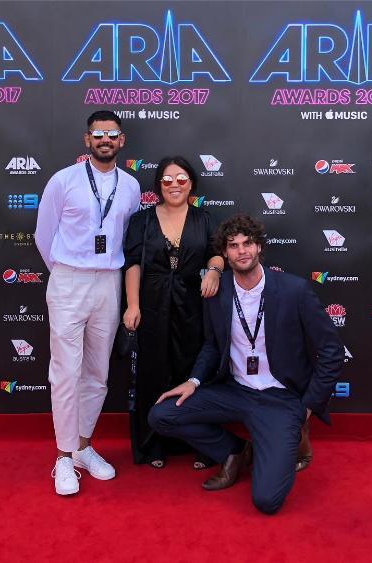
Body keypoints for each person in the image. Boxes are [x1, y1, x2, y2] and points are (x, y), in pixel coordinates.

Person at [148, 214, 344, 514]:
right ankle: (235, 451)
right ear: (224, 253)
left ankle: (281, 442)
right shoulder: (218, 291)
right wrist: (194, 381)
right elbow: (212, 345)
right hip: (235, 390)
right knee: (161, 414)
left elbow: (332, 350)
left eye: (248, 243)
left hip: (280, 399)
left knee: (267, 501)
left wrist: (308, 405)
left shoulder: (294, 291)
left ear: (259, 247)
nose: (242, 251)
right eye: (233, 245)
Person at [35, 110, 140, 495]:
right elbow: (44, 235)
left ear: (121, 141)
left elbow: (127, 241)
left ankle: (83, 446)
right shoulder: (63, 181)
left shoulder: (129, 186)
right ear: (87, 140)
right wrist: (68, 271)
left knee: (97, 372)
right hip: (68, 280)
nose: (105, 140)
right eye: (98, 134)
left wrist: (100, 273)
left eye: (111, 134)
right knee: (65, 371)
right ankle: (63, 458)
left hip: (109, 282)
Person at [123, 156, 224, 468]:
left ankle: (202, 445)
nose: (175, 184)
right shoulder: (142, 220)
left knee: (192, 371)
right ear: (158, 185)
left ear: (191, 183)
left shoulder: (204, 219)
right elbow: (133, 264)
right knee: (153, 373)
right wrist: (133, 304)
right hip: (151, 305)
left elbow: (217, 254)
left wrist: (214, 272)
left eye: (181, 178)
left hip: (193, 306)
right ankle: (152, 445)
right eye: (167, 179)